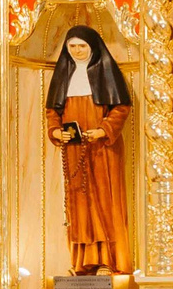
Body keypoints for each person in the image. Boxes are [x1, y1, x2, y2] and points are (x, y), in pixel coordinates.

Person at [44, 24, 133, 275]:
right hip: (73, 150)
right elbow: (53, 111)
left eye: (82, 46)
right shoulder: (64, 74)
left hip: (102, 149)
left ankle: (108, 260)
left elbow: (121, 108)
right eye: (72, 46)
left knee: (104, 201)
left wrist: (104, 129)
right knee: (79, 203)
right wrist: (55, 131)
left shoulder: (105, 71)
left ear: (92, 47)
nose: (77, 51)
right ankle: (82, 262)